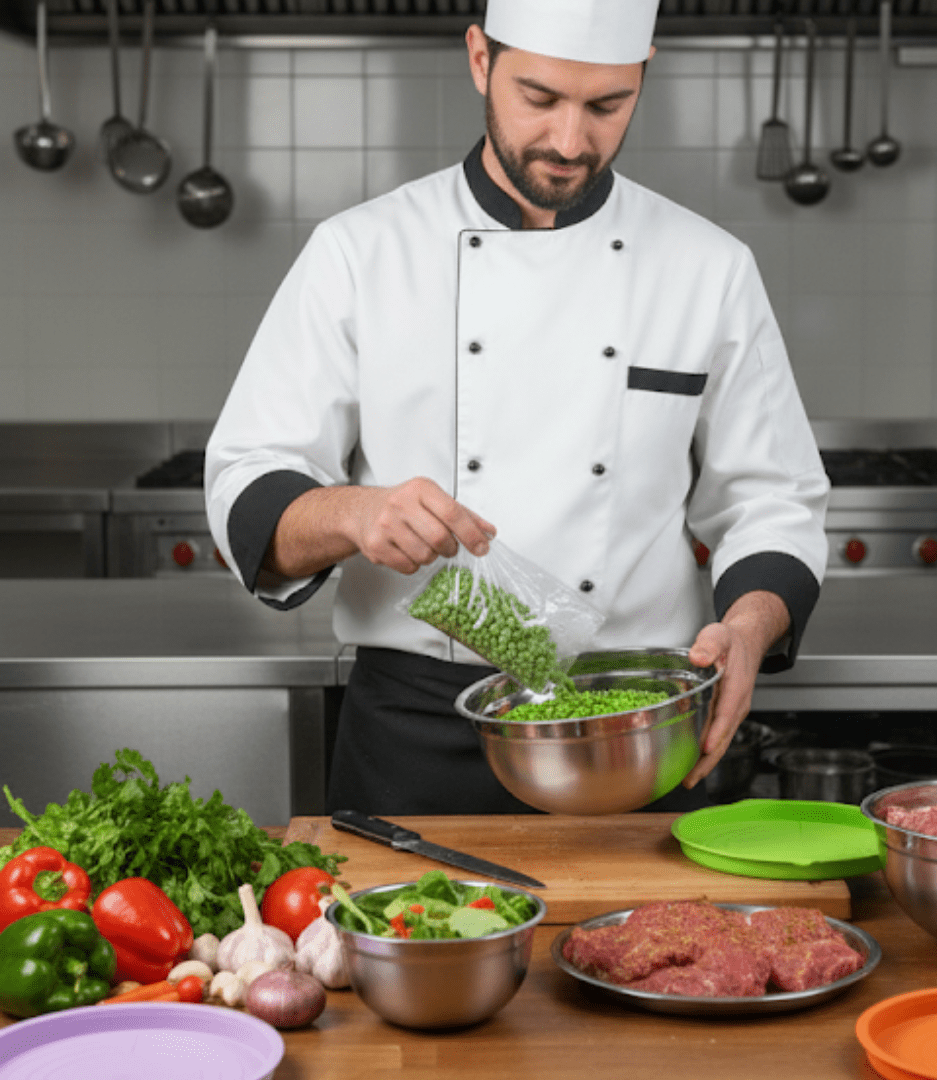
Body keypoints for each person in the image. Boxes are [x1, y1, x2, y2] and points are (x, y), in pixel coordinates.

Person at [205, 0, 830, 816]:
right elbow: (247, 484)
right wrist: (355, 513)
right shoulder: (360, 253)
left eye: (607, 105)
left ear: (643, 73)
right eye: (539, 97)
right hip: (418, 732)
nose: (570, 141)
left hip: (634, 729)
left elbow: (773, 500)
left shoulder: (707, 267)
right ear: (480, 60)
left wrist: (746, 631)